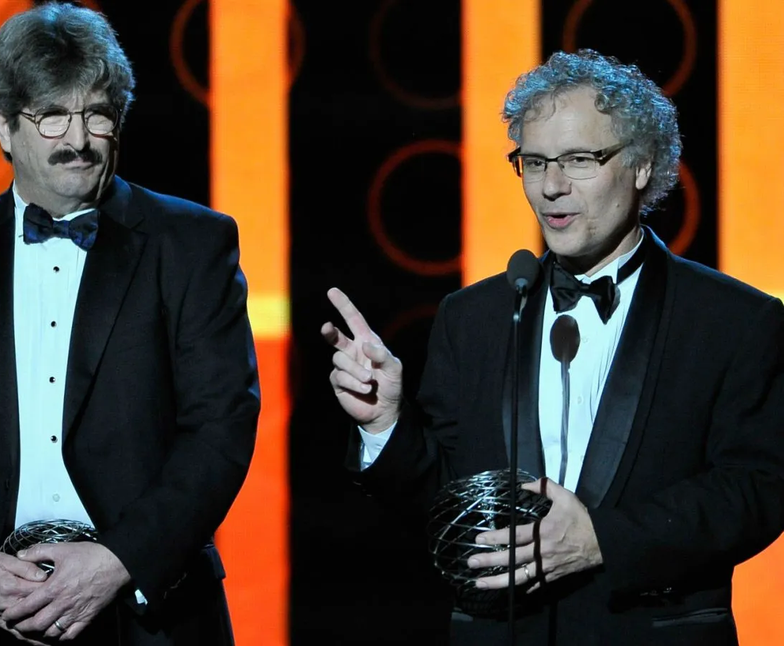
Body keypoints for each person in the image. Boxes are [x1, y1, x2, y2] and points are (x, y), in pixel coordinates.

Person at [322, 49, 784, 645]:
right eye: (535, 162)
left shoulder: (735, 320)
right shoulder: (473, 317)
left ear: (641, 166)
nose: (551, 187)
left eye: (579, 159)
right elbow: (447, 500)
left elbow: (755, 489)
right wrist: (386, 425)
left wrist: (601, 540)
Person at [0, 2, 260, 645]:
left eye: (97, 113)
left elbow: (220, 429)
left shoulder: (192, 243)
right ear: (2, 127)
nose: (78, 139)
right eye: (51, 117)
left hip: (145, 613)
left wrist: (117, 561)